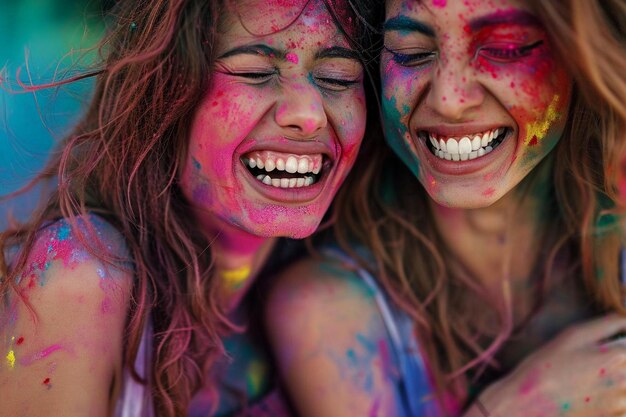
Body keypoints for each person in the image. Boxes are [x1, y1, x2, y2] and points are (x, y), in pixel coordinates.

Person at [0, 0, 378, 416]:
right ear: (163, 96)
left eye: (337, 77)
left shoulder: (338, 297)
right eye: (253, 72)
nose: (308, 116)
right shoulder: (81, 274)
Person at [265, 0, 626, 416]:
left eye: (505, 49)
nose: (449, 99)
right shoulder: (325, 313)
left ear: (581, 55)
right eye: (412, 52)